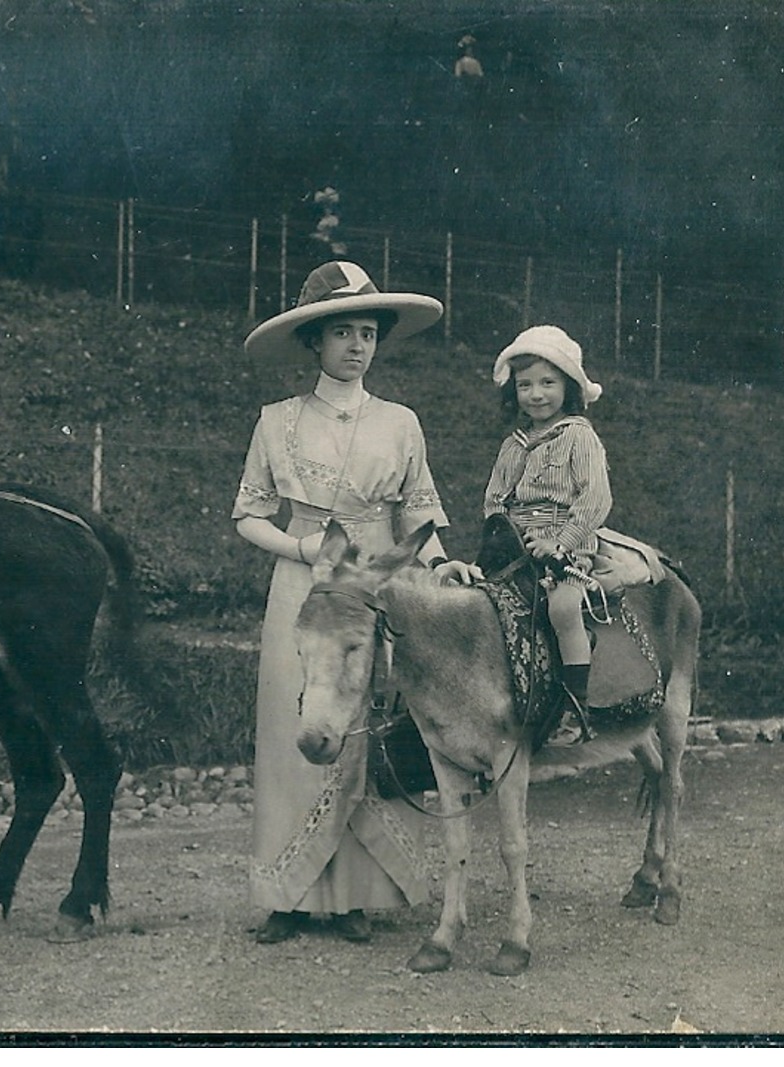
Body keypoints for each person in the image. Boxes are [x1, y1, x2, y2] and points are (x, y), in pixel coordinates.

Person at [232, 260, 473, 945]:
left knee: (367, 724)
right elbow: (247, 513)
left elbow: (417, 516)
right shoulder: (276, 422)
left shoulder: (400, 422)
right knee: (294, 722)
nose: (357, 345)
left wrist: (438, 564)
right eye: (342, 332)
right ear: (314, 341)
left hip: (374, 587)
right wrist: (300, 547)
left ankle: (358, 897)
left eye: (367, 332)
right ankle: (287, 893)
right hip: (302, 585)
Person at [483, 324, 612, 742]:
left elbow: (595, 498)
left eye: (548, 383)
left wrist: (561, 543)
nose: (536, 394)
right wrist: (502, 536)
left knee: (561, 608)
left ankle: (575, 711)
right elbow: (494, 501)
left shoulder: (579, 437)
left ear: (568, 387)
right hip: (518, 549)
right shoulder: (513, 445)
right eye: (525, 385)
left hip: (565, 547)